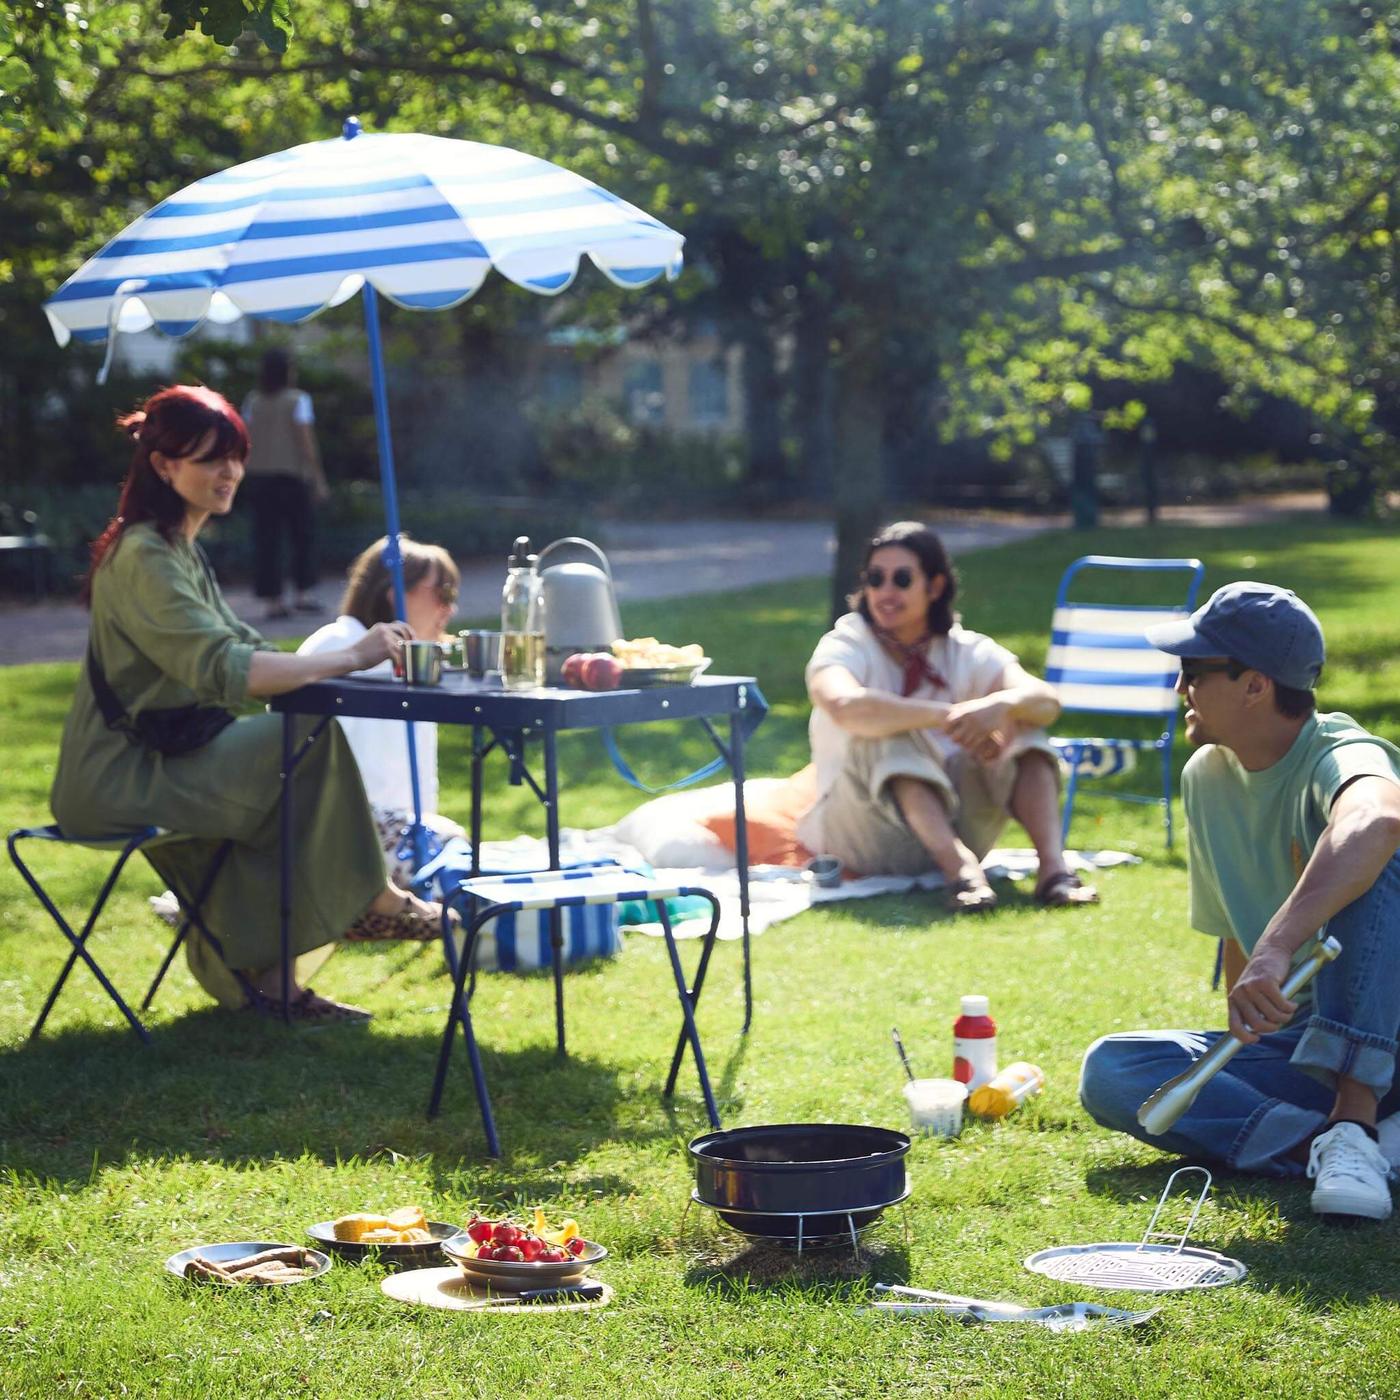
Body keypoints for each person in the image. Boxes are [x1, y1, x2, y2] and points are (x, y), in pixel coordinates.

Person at [50, 385, 452, 1026]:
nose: (229, 472)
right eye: (210, 459)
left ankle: (274, 981)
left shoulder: (178, 549)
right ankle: (371, 898)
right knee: (295, 740)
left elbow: (246, 646)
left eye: (235, 456)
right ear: (163, 466)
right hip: (118, 774)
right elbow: (228, 667)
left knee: (298, 750)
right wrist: (349, 657)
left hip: (171, 755)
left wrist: (331, 662)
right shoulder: (146, 556)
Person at [1079, 582, 1400, 1220]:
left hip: (1384, 1029)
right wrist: (1246, 1023)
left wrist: (1277, 947)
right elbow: (1234, 934)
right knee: (1114, 1071)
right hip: (1302, 1047)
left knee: (1373, 859)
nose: (1179, 690)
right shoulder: (1206, 776)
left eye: (1193, 672)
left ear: (1254, 685)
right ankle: (1344, 1144)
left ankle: (1356, 1119)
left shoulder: (1344, 754)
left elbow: (1378, 823)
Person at [799, 520, 1097, 911]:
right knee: (885, 725)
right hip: (864, 835)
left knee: (1023, 725)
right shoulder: (846, 643)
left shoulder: (967, 649)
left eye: (902, 579)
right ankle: (961, 874)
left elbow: (1046, 701)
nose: (885, 592)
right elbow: (844, 705)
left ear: (935, 586)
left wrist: (1000, 707)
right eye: (876, 579)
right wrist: (947, 717)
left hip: (961, 825)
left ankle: (1054, 871)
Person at [299, 537, 466, 885]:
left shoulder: (408, 660)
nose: (450, 609)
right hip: (343, 836)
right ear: (395, 593)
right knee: (461, 864)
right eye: (443, 593)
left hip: (393, 831)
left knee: (464, 860)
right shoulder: (340, 647)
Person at [240, 348, 329, 619]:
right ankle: (303, 593)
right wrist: (318, 479)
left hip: (259, 477)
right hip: (292, 477)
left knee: (267, 539)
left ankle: (273, 600)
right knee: (302, 536)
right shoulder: (298, 399)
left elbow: (246, 436)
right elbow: (306, 443)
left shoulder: (253, 401)